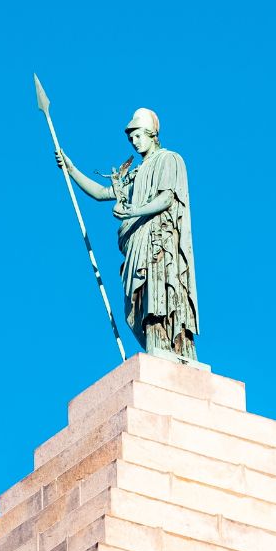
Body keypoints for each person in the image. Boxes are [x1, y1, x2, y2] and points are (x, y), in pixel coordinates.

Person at [57, 107, 199, 363]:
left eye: (137, 135)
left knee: (159, 296)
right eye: (130, 138)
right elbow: (102, 193)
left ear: (151, 133)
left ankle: (170, 349)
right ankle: (157, 350)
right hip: (136, 244)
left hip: (158, 242)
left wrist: (136, 210)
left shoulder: (169, 160)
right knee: (136, 306)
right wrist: (70, 168)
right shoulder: (133, 175)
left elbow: (167, 197)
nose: (133, 142)